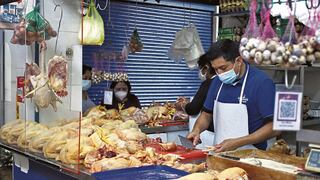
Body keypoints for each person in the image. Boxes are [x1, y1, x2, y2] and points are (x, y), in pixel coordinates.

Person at [187, 39, 280, 152]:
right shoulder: (217, 82)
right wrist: (196, 130)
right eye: (216, 69)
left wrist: (238, 142)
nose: (220, 73)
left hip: (251, 155)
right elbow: (206, 115)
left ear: (239, 61)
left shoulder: (261, 83)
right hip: (219, 152)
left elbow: (275, 127)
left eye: (223, 68)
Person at [176, 53, 216, 132]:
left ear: (206, 68)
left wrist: (183, 104)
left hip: (208, 131)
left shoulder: (208, 83)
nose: (200, 72)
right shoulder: (222, 82)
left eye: (200, 69)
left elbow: (193, 109)